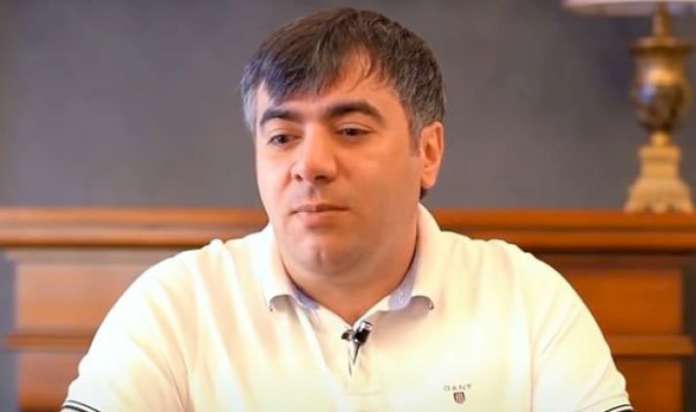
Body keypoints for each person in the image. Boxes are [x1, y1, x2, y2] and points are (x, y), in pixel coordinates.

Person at [62, 8, 633, 412]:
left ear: (428, 152)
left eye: (351, 130)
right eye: (282, 137)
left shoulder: (527, 300)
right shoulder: (176, 304)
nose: (310, 165)